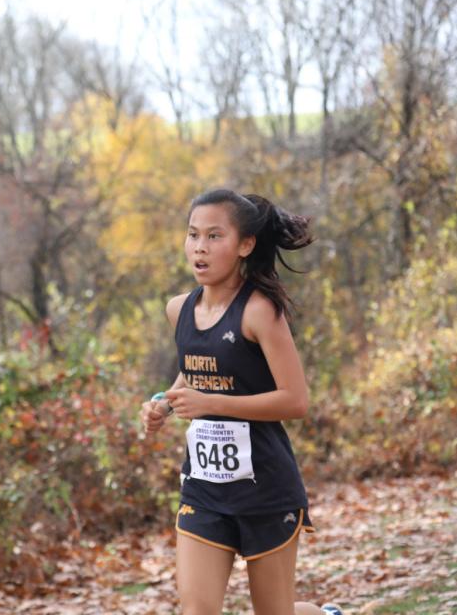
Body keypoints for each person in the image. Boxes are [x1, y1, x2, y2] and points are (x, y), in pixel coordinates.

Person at [140, 189, 343, 615]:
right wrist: (163, 402)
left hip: (265, 488)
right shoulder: (178, 309)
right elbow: (195, 371)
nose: (199, 246)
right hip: (205, 488)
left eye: (215, 236)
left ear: (245, 245)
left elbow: (296, 400)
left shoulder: (259, 311)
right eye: (193, 234)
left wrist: (211, 402)